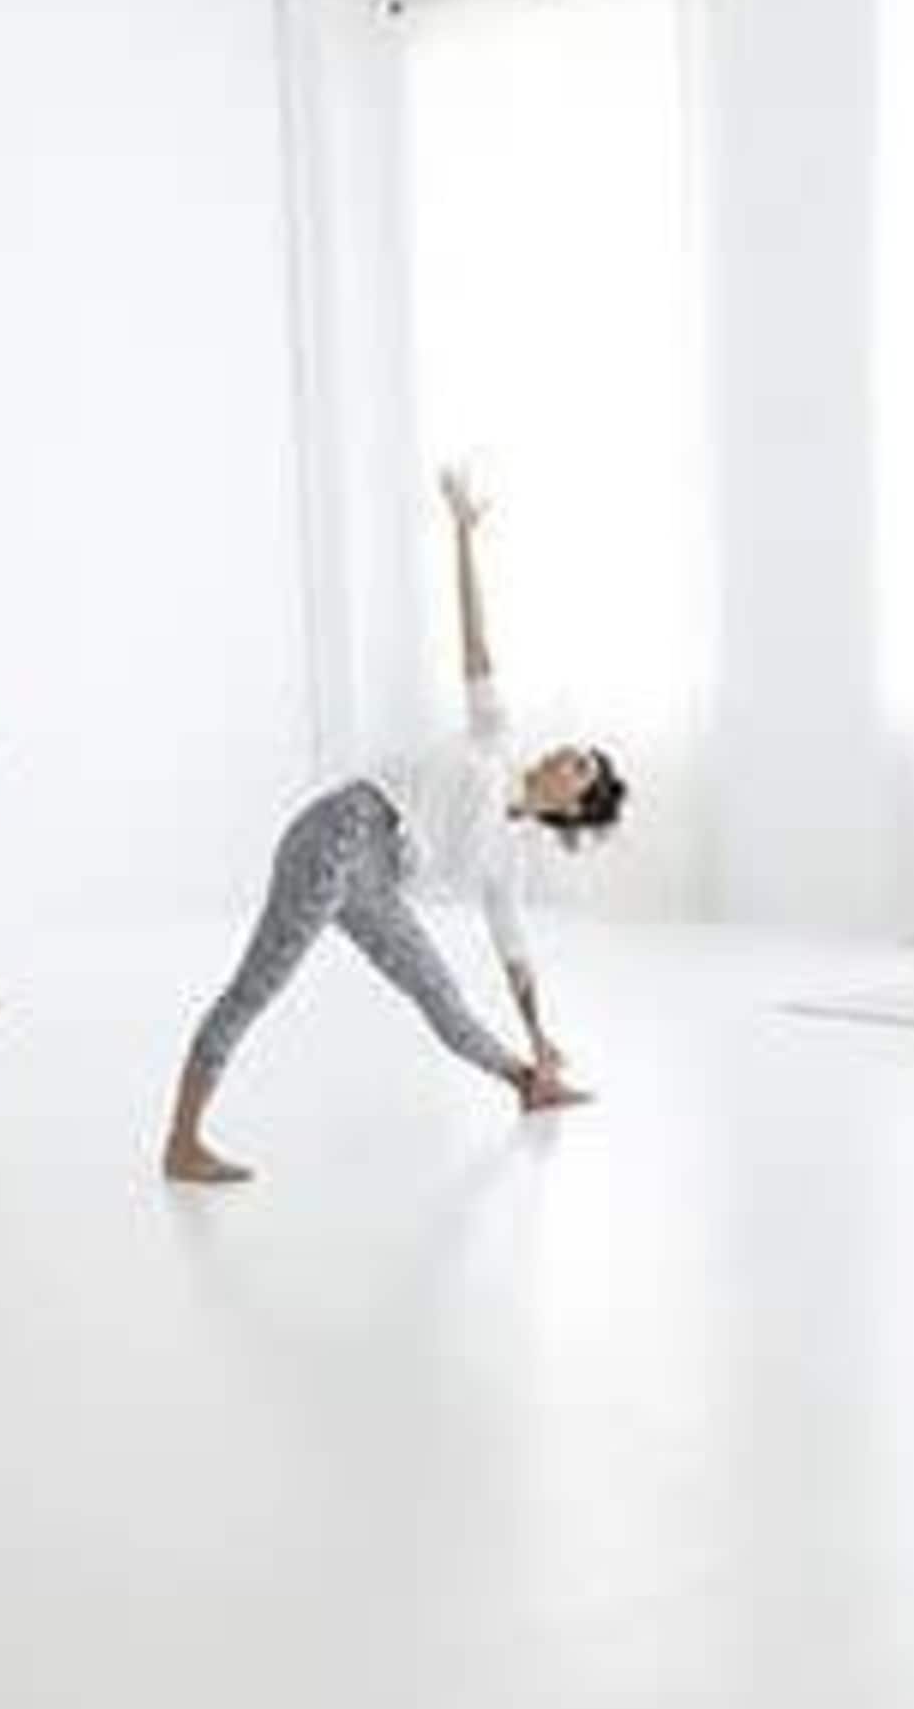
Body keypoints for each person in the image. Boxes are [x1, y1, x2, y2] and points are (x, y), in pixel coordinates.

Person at [163, 466, 626, 1184]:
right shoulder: (494, 738)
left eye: (583, 771)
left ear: (571, 807)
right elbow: (475, 643)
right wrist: (463, 536)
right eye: (579, 754)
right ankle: (182, 1143)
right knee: (258, 986)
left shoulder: (507, 855)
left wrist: (538, 1035)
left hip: (378, 877)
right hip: (344, 828)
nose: (572, 756)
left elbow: (514, 952)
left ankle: (530, 1083)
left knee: (439, 995)